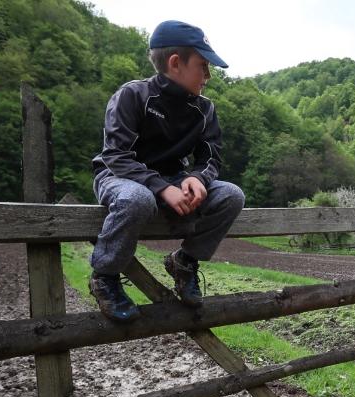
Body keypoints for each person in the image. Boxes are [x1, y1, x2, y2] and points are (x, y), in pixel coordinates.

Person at [88, 20, 245, 321]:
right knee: (138, 199)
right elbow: (116, 155)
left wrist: (197, 178)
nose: (208, 76)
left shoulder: (205, 109)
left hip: (174, 180)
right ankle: (104, 276)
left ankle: (184, 261)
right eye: (203, 66)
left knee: (231, 195)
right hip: (120, 177)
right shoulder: (132, 95)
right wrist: (162, 187)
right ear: (175, 63)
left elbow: (211, 157)